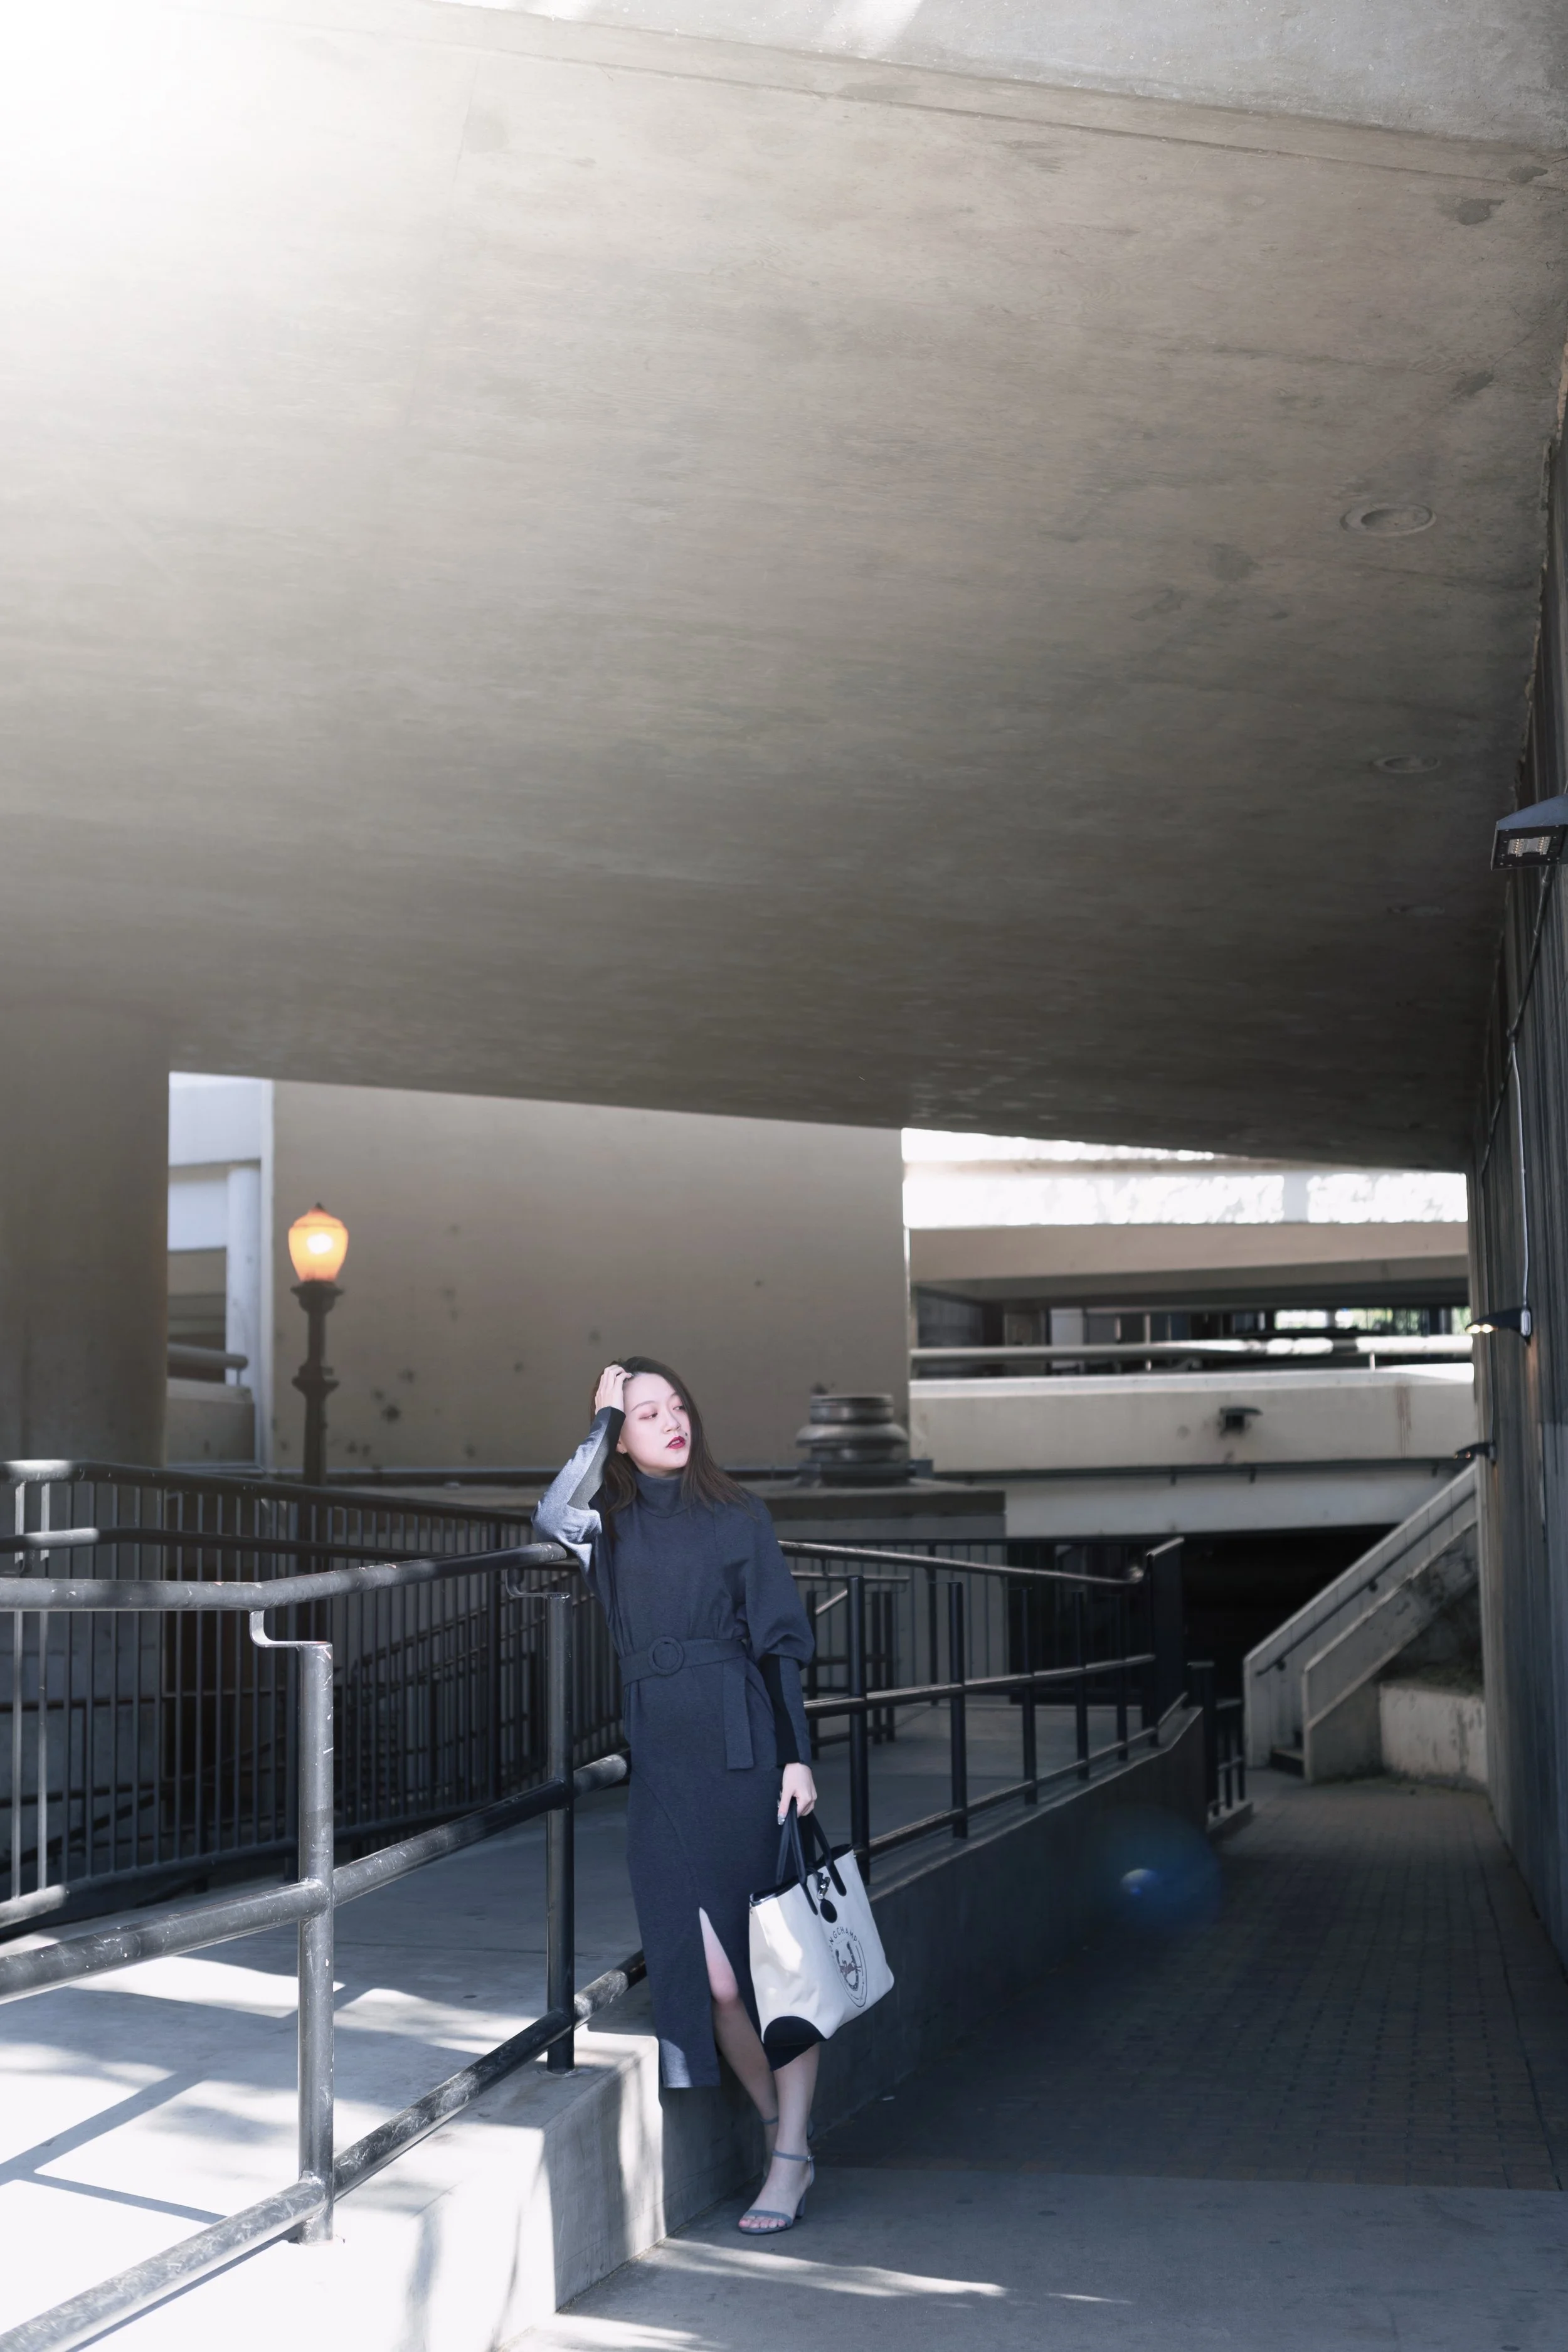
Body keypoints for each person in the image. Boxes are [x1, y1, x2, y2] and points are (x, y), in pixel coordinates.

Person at [534, 1356, 820, 2233]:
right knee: (716, 1980)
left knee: (777, 1967)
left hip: (744, 1754)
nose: (671, 1420)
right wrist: (599, 1420)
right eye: (646, 1412)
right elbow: (552, 1513)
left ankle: (790, 2152)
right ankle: (779, 2132)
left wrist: (797, 1759)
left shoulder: (738, 1515)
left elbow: (778, 1645)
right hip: (663, 1761)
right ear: (620, 1436)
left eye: (677, 1405)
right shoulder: (611, 1526)